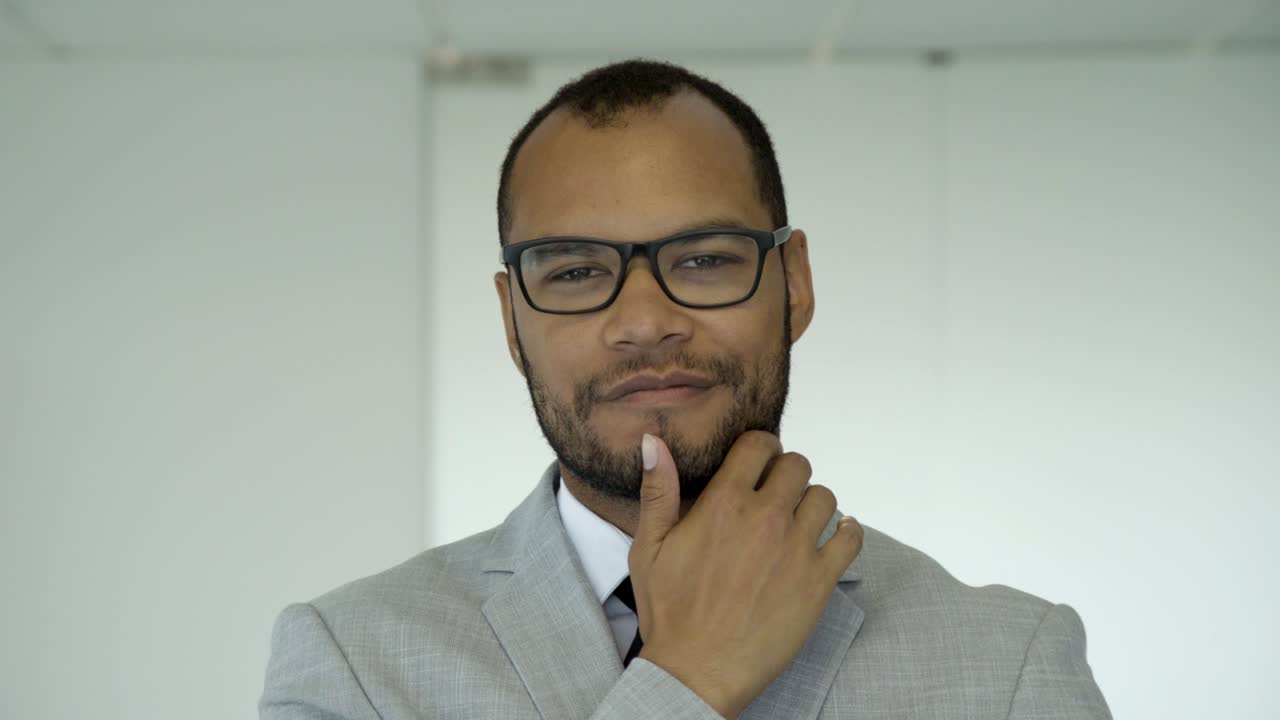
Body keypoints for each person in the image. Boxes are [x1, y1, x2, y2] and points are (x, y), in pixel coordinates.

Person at [260, 59, 1112, 719]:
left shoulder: (1007, 666)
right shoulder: (353, 663)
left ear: (796, 284)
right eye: (576, 269)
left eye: (704, 259)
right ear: (512, 322)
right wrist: (687, 685)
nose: (644, 319)